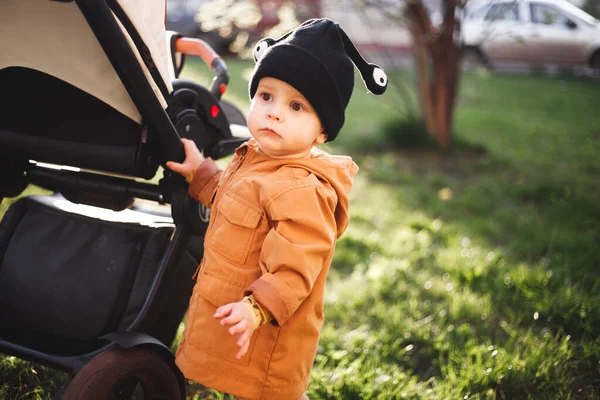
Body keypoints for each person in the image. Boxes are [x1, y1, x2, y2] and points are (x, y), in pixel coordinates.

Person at [166, 18, 387, 400]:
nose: (274, 112)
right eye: (266, 96)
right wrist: (199, 173)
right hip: (236, 313)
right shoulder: (256, 158)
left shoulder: (304, 189)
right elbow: (235, 200)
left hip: (266, 329)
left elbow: (298, 264)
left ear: (322, 132)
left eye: (296, 105)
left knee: (263, 392)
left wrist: (257, 309)